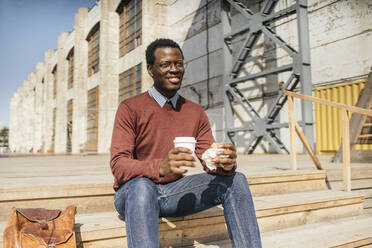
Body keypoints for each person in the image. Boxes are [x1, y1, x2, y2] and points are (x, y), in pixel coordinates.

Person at [110, 38, 261, 248]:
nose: (174, 69)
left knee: (236, 181)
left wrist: (224, 163)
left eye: (178, 64)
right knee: (143, 187)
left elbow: (208, 157)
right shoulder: (130, 108)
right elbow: (118, 165)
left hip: (173, 193)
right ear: (151, 70)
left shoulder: (194, 111)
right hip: (133, 194)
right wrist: (159, 167)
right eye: (165, 65)